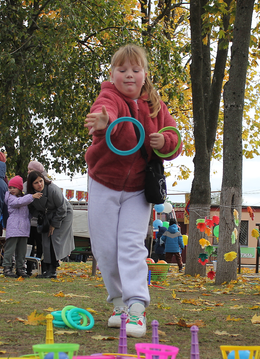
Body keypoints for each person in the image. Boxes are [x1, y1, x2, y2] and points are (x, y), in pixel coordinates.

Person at [83, 44, 182, 337]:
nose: (129, 75)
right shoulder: (108, 96)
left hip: (139, 189)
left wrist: (164, 142)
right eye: (122, 70)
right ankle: (117, 303)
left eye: (135, 70)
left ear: (144, 74)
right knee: (105, 247)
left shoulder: (155, 106)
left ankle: (136, 308)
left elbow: (175, 139)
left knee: (130, 245)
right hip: (103, 182)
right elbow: (105, 112)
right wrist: (104, 123)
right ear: (112, 74)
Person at [27, 171, 74, 279]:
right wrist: (41, 217)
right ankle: (47, 269)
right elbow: (32, 209)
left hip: (63, 214)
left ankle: (52, 270)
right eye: (36, 183)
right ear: (31, 185)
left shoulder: (53, 189)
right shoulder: (31, 195)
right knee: (46, 241)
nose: (40, 184)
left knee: (54, 238)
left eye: (41, 181)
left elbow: (62, 208)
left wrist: (54, 224)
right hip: (48, 216)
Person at [2, 175, 41, 278]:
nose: (12, 190)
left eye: (14, 187)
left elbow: (28, 212)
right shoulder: (10, 198)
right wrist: (32, 196)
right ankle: (7, 267)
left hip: (24, 228)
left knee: (22, 251)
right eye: (10, 187)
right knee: (10, 250)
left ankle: (20, 268)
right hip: (14, 227)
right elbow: (19, 202)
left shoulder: (24, 198)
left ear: (20, 188)